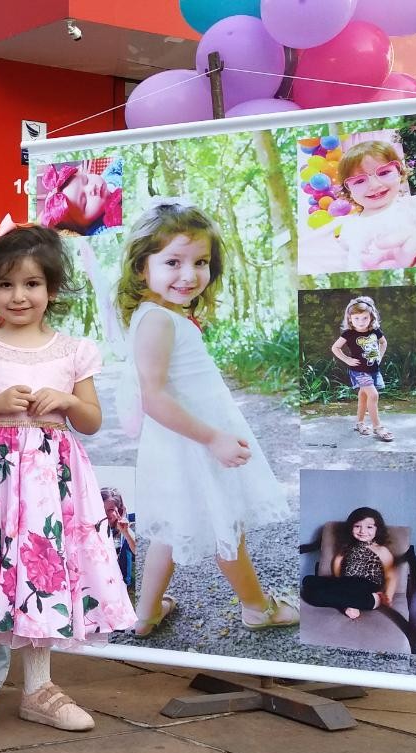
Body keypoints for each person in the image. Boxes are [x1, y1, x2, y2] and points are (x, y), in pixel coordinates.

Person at [0, 217, 136, 735]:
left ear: (52, 289)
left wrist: (65, 400)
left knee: (42, 569)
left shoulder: (74, 351)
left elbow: (91, 419)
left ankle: (39, 688)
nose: (19, 296)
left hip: (52, 482)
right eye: (5, 284)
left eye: (32, 284)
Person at [117, 198, 298, 637]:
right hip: (193, 440)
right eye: (173, 261)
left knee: (170, 528)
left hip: (186, 439)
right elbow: (153, 398)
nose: (189, 274)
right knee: (224, 523)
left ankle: (147, 611)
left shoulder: (163, 316)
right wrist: (213, 438)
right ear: (143, 267)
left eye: (200, 262)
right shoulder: (158, 321)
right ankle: (257, 608)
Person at [333, 140, 416, 270]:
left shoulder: (415, 206)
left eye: (384, 172)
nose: (374, 185)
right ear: (348, 190)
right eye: (359, 181)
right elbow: (348, 265)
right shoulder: (349, 226)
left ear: (399, 171)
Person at [300, 507, 396, 620]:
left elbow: (391, 576)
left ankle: (374, 601)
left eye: (369, 527)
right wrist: (338, 581)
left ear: (377, 529)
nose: (362, 531)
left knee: (315, 595)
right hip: (347, 582)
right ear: (350, 528)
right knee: (308, 580)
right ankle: (346, 605)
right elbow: (337, 562)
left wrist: (388, 597)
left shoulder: (381, 550)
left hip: (367, 585)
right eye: (357, 526)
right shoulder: (349, 547)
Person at [331, 295, 393, 442]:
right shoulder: (349, 334)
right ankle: (378, 427)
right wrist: (347, 359)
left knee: (363, 396)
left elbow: (383, 343)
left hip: (373, 369)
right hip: (359, 371)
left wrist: (379, 356)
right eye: (356, 319)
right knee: (373, 395)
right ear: (350, 319)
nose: (361, 322)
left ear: (371, 317)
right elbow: (335, 348)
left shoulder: (375, 331)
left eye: (365, 318)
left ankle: (359, 423)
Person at [38, 159, 123, 236]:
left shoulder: (107, 177)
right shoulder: (100, 230)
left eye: (86, 180)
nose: (92, 188)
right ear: (82, 227)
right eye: (84, 202)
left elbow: (120, 162)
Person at [101, 488, 138, 589]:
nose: (105, 514)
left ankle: (126, 582)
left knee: (126, 545)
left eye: (110, 510)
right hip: (100, 577)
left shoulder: (122, 527)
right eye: (101, 509)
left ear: (119, 510)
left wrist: (125, 532)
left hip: (119, 579)